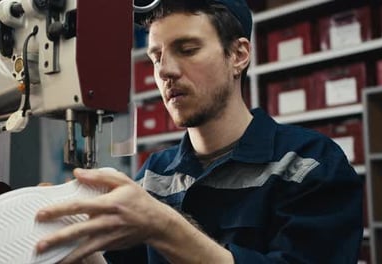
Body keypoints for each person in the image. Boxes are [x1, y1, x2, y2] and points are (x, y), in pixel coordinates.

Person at [35, 0, 364, 263]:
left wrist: (164, 226)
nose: (165, 71)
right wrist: (78, 249)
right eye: (156, 56)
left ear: (238, 55)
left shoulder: (311, 165)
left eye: (187, 49)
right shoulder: (155, 175)